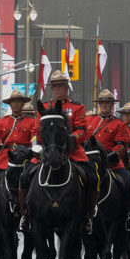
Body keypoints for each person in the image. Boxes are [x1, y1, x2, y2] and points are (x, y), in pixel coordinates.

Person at [20, 69, 98, 230]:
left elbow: (82, 131)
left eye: (61, 86)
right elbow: (36, 131)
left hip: (72, 152)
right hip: (48, 152)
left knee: (92, 176)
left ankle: (88, 215)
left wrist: (69, 139)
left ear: (66, 87)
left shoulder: (77, 107)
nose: (58, 89)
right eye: (55, 87)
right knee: (24, 176)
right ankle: (26, 215)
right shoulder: (44, 108)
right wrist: (38, 147)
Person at [86, 90, 130, 230]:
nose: (105, 105)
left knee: (128, 184)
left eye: (108, 103)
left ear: (112, 105)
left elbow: (121, 145)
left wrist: (111, 156)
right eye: (102, 102)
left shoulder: (119, 124)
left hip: (111, 162)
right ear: (99, 104)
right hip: (90, 161)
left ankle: (129, 216)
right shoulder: (90, 120)